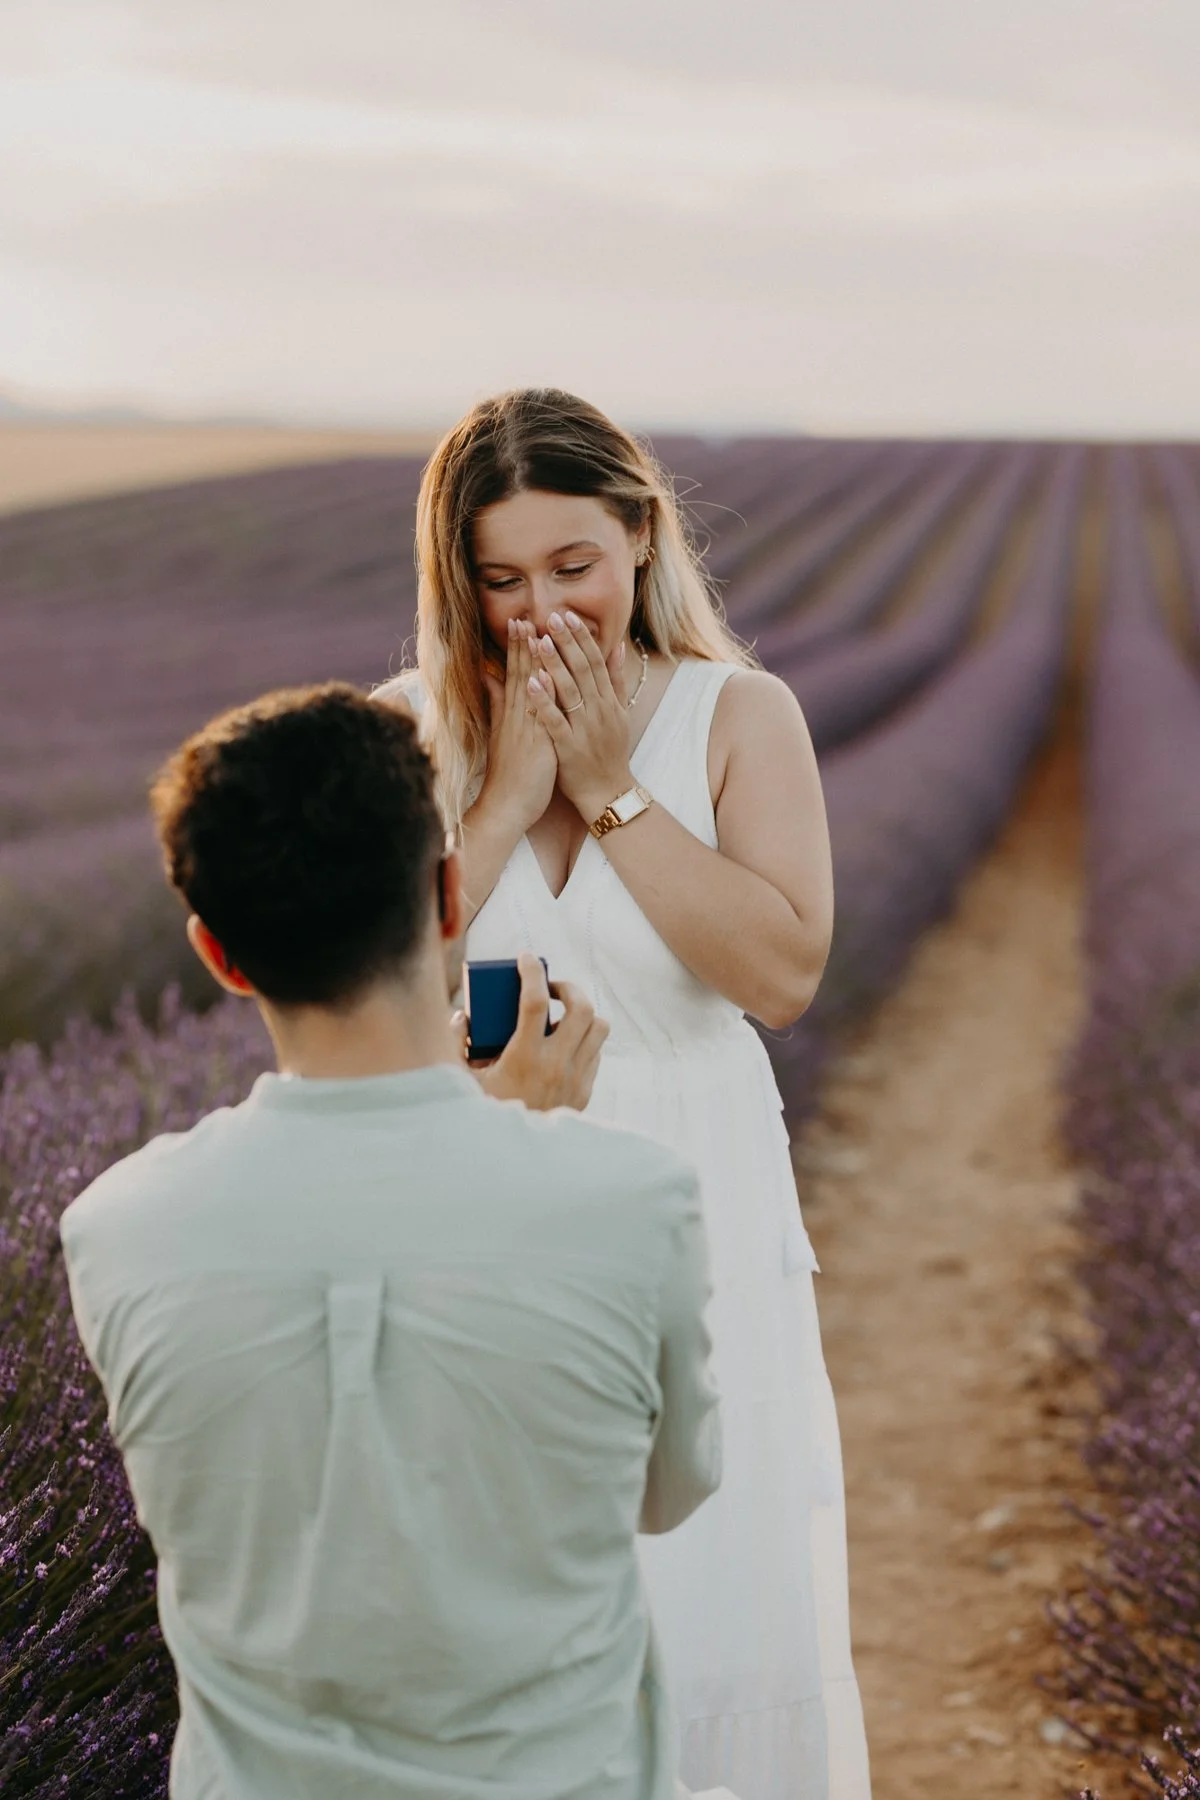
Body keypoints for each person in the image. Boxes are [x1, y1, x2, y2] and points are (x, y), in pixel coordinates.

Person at [59, 683, 729, 1800]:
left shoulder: (114, 1227)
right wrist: (525, 1148)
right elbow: (666, 1490)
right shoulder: (627, 1203)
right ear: (452, 890)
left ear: (217, 954)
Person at [373, 388, 872, 1800]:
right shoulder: (403, 727)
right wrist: (501, 787)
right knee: (503, 1581)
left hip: (691, 1189)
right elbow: (374, 986)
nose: (542, 611)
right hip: (484, 1198)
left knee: (706, 1568)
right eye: (500, 579)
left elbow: (781, 973)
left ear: (642, 538)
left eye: (574, 567)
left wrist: (608, 792)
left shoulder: (738, 714)